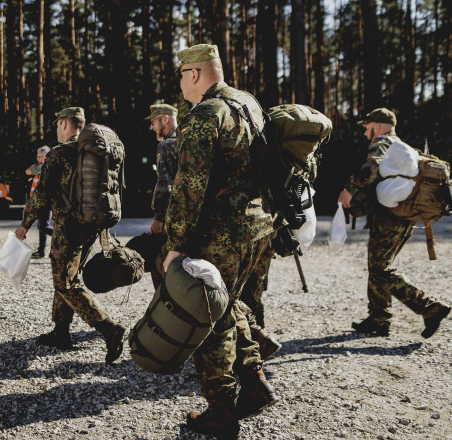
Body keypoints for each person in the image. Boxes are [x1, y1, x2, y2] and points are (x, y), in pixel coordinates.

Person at [162, 44, 278, 436]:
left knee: (208, 317)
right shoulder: (248, 102)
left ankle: (221, 411)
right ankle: (255, 380)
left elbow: (188, 189)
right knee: (230, 306)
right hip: (259, 226)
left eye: (181, 74)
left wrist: (175, 245)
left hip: (221, 234)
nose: (179, 82)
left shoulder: (205, 114)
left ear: (194, 74)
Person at [14, 106, 126, 365]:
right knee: (66, 274)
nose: (56, 129)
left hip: (69, 226)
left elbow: (41, 194)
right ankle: (61, 332)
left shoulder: (60, 153)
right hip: (92, 223)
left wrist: (24, 224)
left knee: (65, 282)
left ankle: (108, 327)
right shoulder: (93, 151)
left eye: (57, 124)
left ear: (65, 123)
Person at [338, 107, 451, 338]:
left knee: (381, 267)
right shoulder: (404, 149)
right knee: (378, 265)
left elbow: (371, 169)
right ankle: (379, 319)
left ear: (377, 126)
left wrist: (349, 191)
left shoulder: (382, 143)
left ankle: (429, 307)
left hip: (389, 218)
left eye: (367, 127)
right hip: (403, 216)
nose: (364, 133)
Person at [143, 103, 179, 289]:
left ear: (165, 119)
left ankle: (164, 309)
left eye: (153, 122)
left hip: (175, 217)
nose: (151, 127)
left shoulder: (166, 145)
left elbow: (165, 183)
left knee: (160, 263)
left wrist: (159, 218)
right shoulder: (190, 139)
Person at [25, 146, 53, 258]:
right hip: (42, 201)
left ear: (46, 156)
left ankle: (63, 237)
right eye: (37, 156)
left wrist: (36, 165)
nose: (37, 158)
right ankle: (41, 251)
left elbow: (27, 171)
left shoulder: (43, 166)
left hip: (44, 201)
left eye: (39, 156)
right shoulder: (45, 165)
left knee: (44, 226)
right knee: (42, 226)